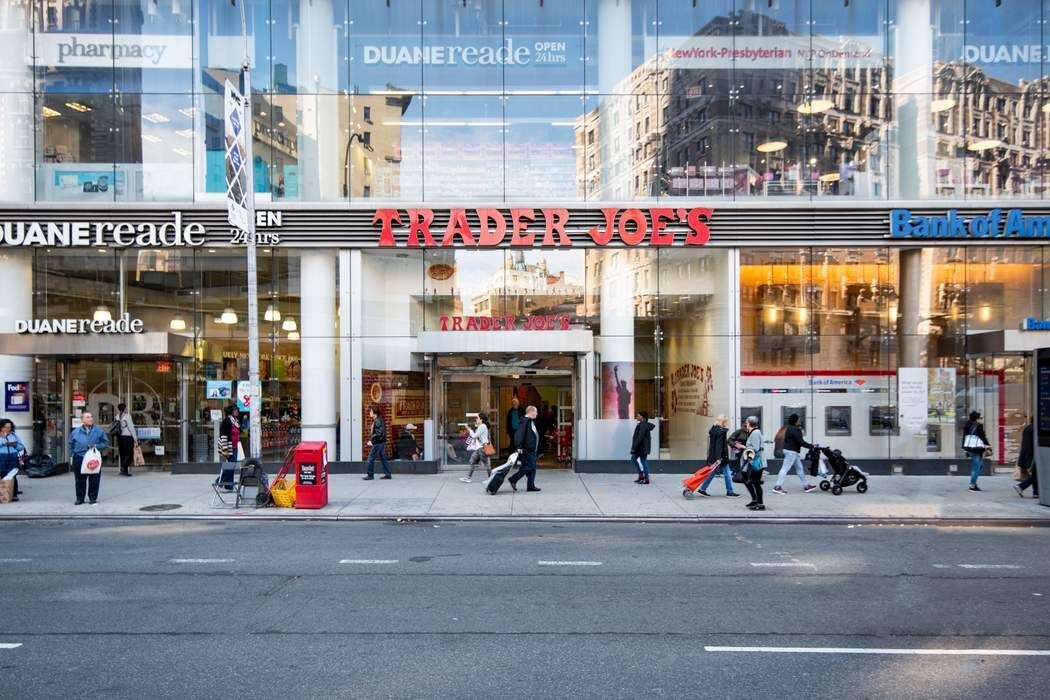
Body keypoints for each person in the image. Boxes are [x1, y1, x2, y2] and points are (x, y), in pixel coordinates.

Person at [68, 411, 109, 506]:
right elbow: (71, 444)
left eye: (91, 417)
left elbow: (105, 443)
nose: (90, 419)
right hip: (79, 457)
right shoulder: (76, 432)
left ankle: (93, 498)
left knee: (94, 479)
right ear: (82, 420)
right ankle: (80, 498)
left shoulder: (98, 431)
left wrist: (96, 446)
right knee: (79, 480)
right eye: (87, 417)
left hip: (93, 458)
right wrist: (71, 456)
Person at [772, 413, 817, 495]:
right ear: (796, 421)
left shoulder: (789, 428)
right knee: (785, 468)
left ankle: (806, 486)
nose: (800, 420)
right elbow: (800, 441)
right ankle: (777, 487)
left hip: (791, 451)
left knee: (799, 468)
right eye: (798, 419)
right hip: (791, 451)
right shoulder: (796, 429)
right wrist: (812, 446)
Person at [698, 414, 741, 497]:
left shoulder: (714, 429)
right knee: (727, 473)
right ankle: (730, 491)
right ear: (723, 422)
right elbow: (719, 445)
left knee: (712, 473)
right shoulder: (721, 432)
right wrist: (718, 458)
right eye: (726, 421)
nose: (726, 423)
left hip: (714, 456)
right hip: (721, 457)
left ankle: (702, 489)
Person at [509, 405, 541, 492]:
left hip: (531, 449)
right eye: (536, 412)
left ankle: (530, 486)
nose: (537, 413)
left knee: (532, 468)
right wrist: (518, 446)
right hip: (527, 449)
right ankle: (513, 479)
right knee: (529, 466)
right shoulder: (525, 421)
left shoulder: (530, 421)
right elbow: (519, 434)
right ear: (531, 412)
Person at [963, 410, 990, 492]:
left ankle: (974, 484)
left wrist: (965, 448)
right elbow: (983, 437)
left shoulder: (967, 425)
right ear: (977, 418)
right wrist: (988, 446)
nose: (980, 419)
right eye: (980, 418)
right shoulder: (978, 426)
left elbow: (964, 437)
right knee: (976, 467)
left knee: (978, 466)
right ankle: (972, 485)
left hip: (970, 447)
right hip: (977, 448)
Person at [742, 416, 765, 510]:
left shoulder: (755, 433)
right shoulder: (754, 432)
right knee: (749, 480)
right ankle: (755, 500)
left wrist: (743, 447)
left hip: (757, 462)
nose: (745, 424)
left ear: (749, 423)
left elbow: (755, 448)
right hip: (754, 461)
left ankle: (760, 504)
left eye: (746, 422)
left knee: (756, 483)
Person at [461, 412, 492, 483]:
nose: (476, 419)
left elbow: (475, 436)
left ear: (481, 419)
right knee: (472, 461)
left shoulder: (482, 426)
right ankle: (468, 477)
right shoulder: (481, 426)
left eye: (477, 418)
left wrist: (469, 430)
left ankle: (491, 479)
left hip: (482, 448)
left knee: (486, 464)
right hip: (479, 448)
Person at [216, 405, 241, 490]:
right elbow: (223, 435)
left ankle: (229, 485)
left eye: (237, 409)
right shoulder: (227, 421)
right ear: (230, 411)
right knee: (231, 465)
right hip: (228, 446)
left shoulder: (235, 421)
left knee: (232, 465)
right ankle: (219, 481)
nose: (236, 411)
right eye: (234, 410)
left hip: (235, 446)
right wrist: (225, 450)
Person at [0, 418, 26, 502]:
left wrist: (14, 445)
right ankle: (2, 495)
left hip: (12, 457)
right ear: (1, 427)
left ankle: (13, 494)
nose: (8, 429)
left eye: (9, 427)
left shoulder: (13, 435)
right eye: (6, 427)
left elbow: (21, 446)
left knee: (12, 475)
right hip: (1, 457)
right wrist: (3, 442)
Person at [364, 404, 391, 480]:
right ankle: (388, 474)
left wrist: (372, 441)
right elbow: (379, 433)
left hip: (378, 443)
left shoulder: (378, 421)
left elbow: (379, 433)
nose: (370, 412)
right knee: (383, 458)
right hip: (381, 442)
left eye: (371, 411)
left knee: (370, 458)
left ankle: (370, 475)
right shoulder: (378, 420)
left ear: (375, 413)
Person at [111, 402, 137, 477]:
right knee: (129, 454)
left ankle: (124, 470)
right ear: (125, 408)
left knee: (122, 453)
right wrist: (135, 438)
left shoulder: (117, 416)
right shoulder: (127, 416)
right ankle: (124, 468)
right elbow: (131, 428)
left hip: (120, 437)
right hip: (127, 436)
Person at [1015, 420, 1039, 499]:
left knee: (1036, 473)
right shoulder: (1036, 429)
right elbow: (1033, 443)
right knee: (1037, 474)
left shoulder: (1027, 428)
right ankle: (1021, 486)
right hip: (1033, 454)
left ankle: (1036, 492)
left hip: (1026, 454)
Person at [630, 411, 654, 485]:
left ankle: (646, 478)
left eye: (638, 415)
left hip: (642, 447)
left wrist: (634, 447)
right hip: (641, 447)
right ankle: (641, 475)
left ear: (642, 417)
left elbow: (640, 437)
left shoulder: (643, 425)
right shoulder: (642, 424)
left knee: (643, 461)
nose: (637, 416)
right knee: (634, 459)